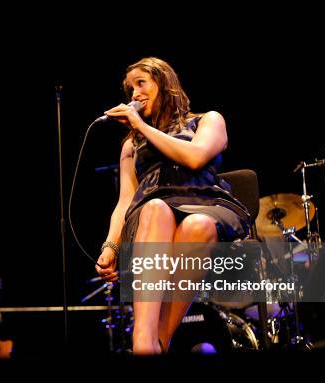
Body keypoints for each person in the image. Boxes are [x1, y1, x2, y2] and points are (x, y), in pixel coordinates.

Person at [95, 57, 251, 355]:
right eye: (130, 89)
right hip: (151, 215)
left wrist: (140, 124)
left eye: (141, 83)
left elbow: (194, 157)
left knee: (198, 224)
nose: (135, 94)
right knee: (156, 208)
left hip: (205, 204)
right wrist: (110, 247)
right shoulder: (132, 144)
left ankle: (158, 343)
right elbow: (125, 200)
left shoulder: (208, 120)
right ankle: (144, 340)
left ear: (164, 83)